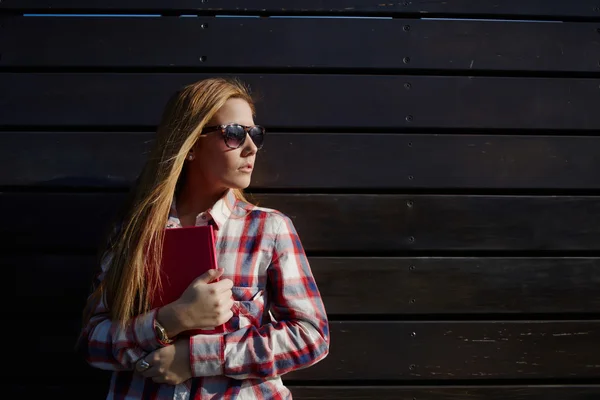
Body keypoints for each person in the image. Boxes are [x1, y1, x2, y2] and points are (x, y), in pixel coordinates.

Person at [77, 77, 330, 399]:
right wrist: (169, 321)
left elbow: (311, 337)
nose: (251, 147)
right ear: (192, 144)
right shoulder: (133, 233)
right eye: (235, 134)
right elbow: (92, 342)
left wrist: (195, 358)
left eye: (255, 134)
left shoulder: (268, 229)